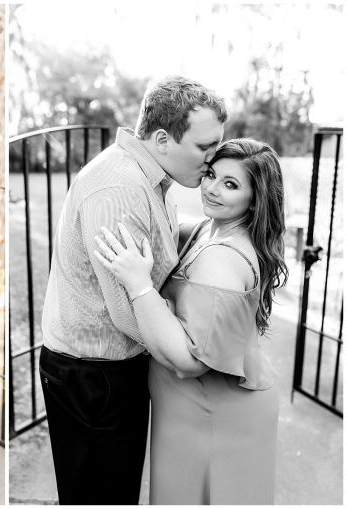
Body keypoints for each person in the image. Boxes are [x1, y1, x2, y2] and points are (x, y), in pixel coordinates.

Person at [39, 75, 228, 505]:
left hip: (106, 374)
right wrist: (187, 347)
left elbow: (158, 238)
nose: (213, 160)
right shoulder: (119, 189)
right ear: (163, 138)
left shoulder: (152, 175)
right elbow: (129, 313)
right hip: (93, 380)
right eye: (205, 148)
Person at [94, 138, 288, 504]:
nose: (212, 189)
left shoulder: (223, 260)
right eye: (212, 175)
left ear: (256, 198)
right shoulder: (209, 228)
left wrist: (138, 284)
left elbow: (190, 360)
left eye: (231, 185)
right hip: (191, 415)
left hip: (215, 418)